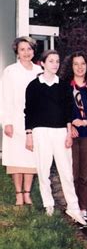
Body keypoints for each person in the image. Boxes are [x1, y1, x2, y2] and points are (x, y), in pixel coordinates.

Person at [24, 50, 86, 225]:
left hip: (60, 132)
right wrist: (29, 135)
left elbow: (68, 111)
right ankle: (48, 205)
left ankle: (73, 208)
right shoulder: (33, 86)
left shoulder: (64, 85)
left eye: (57, 61)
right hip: (40, 132)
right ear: (42, 63)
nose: (55, 64)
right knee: (43, 171)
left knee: (66, 171)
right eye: (51, 61)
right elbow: (28, 112)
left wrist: (68, 133)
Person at [59, 51, 87, 226]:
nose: (79, 67)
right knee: (72, 173)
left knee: (86, 175)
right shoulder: (64, 86)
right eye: (76, 64)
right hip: (72, 135)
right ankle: (72, 208)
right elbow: (60, 110)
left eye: (82, 63)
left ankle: (83, 210)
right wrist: (71, 124)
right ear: (71, 66)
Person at [1, 37, 42, 206]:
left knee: (31, 157)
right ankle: (18, 194)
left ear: (34, 51)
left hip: (34, 121)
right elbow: (5, 97)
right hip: (15, 118)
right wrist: (7, 122)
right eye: (22, 49)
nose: (26, 53)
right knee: (16, 157)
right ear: (17, 52)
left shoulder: (39, 70)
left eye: (29, 49)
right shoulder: (10, 71)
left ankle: (27, 193)